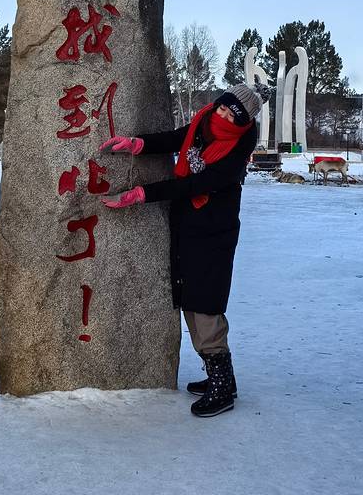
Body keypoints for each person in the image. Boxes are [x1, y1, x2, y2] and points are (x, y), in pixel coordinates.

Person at [100, 81, 270, 418]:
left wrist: (142, 194)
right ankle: (222, 379)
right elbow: (180, 137)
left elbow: (194, 184)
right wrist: (139, 144)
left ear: (245, 122)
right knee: (191, 299)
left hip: (213, 233)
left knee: (204, 305)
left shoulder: (235, 152)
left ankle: (222, 385)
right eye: (223, 107)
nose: (223, 116)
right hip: (189, 226)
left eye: (232, 116)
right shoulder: (205, 121)